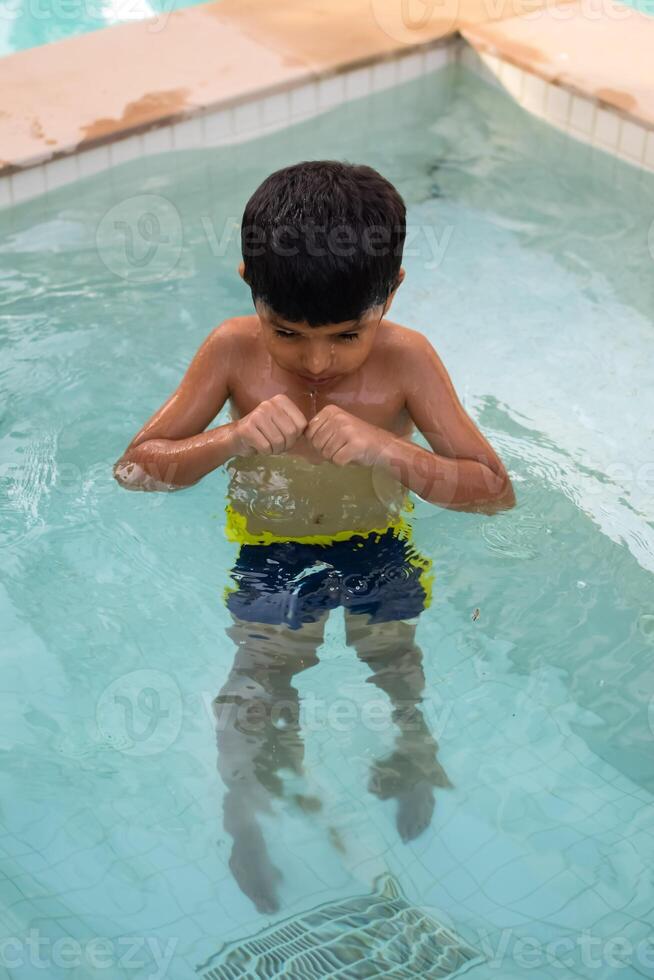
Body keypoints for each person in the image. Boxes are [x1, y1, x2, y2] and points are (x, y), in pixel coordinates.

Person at [113, 160, 515, 912]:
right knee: (258, 682)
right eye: (287, 332)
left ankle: (413, 746)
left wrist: (390, 449)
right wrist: (229, 440)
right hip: (272, 551)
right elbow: (135, 469)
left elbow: (494, 492)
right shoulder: (231, 352)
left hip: (375, 545)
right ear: (249, 288)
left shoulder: (408, 361)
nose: (318, 361)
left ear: (391, 291)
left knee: (394, 661)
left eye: (346, 334)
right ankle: (249, 813)